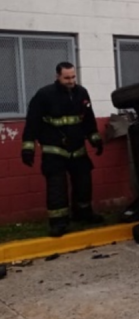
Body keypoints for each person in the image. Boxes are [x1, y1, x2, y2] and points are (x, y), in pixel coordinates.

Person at [20, 62, 104, 237]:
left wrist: (95, 139)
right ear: (57, 76)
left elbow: (88, 119)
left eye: (73, 77)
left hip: (77, 148)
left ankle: (83, 213)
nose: (71, 81)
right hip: (54, 149)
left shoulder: (81, 93)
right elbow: (32, 122)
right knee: (57, 186)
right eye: (67, 78)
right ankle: (58, 222)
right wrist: (28, 148)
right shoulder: (44, 95)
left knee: (83, 182)